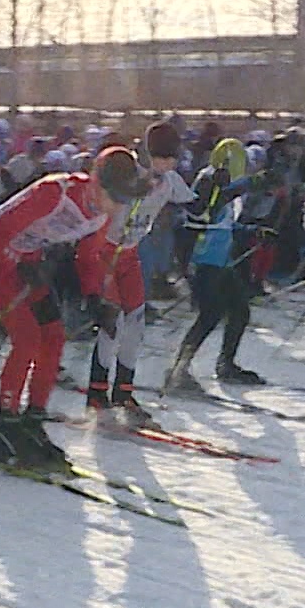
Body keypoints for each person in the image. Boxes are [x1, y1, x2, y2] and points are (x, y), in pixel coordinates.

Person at [0, 145, 147, 472]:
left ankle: (33, 420)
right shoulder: (54, 192)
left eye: (125, 199)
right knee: (27, 338)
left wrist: (95, 299)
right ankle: (5, 424)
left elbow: (89, 258)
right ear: (96, 182)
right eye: (116, 196)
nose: (119, 206)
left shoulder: (101, 215)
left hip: (26, 262)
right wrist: (15, 262)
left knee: (54, 336)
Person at [79, 121, 191, 425]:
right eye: (162, 157)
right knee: (111, 322)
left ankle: (124, 391)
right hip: (106, 251)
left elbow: (197, 203)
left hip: (129, 255)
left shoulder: (169, 181)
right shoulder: (128, 171)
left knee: (136, 322)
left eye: (172, 158)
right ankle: (97, 392)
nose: (168, 164)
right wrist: (134, 189)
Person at [166, 139, 266, 394]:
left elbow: (223, 223)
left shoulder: (226, 183)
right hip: (202, 261)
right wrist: (240, 188)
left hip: (220, 260)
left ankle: (226, 364)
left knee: (240, 311)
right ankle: (178, 369)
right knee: (209, 315)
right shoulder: (209, 180)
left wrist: (252, 231)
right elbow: (203, 213)